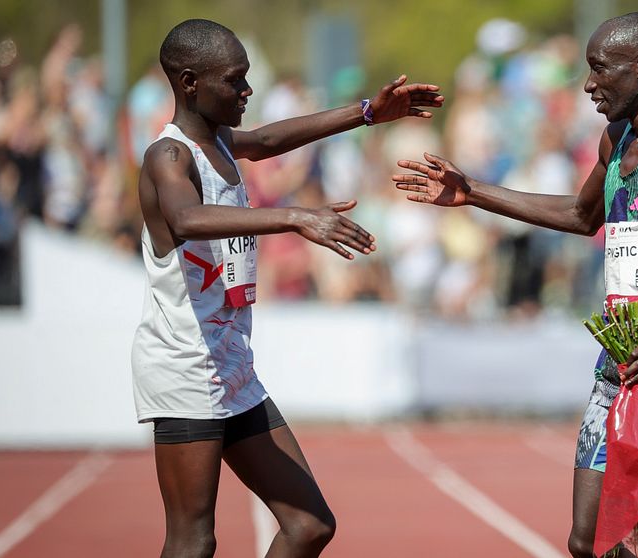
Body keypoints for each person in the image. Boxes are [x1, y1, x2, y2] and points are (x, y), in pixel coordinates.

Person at [393, 12, 638, 558]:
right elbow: (583, 217)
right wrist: (473, 193)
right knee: (585, 542)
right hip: (620, 355)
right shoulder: (615, 140)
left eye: (599, 70)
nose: (587, 85)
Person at [131, 19, 442, 558]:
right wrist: (294, 217)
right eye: (234, 81)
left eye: (246, 78)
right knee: (193, 540)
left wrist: (369, 112)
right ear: (188, 83)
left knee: (309, 524)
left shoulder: (222, 143)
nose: (247, 91)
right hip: (183, 365)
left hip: (230, 365)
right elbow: (184, 219)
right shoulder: (169, 156)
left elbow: (273, 139)